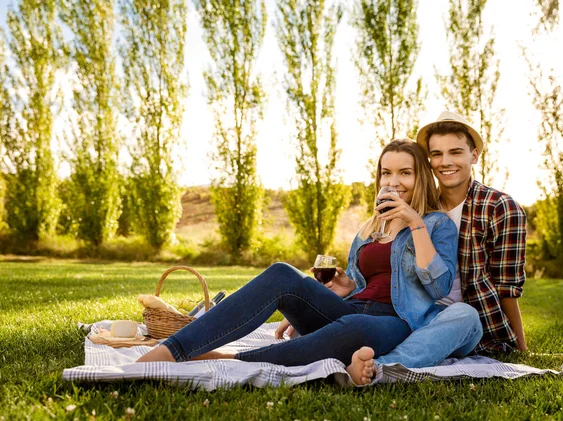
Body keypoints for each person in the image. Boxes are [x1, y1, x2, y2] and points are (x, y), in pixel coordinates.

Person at [137, 139, 460, 386]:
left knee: (355, 327)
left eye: (405, 173)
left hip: (393, 322)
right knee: (282, 273)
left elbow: (438, 287)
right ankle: (173, 349)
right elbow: (357, 285)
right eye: (386, 173)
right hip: (350, 312)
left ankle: (230, 358)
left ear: (421, 179)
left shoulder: (435, 224)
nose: (394, 181)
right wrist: (343, 286)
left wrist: (415, 223)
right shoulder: (371, 227)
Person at [374, 111, 527, 370]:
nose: (445, 162)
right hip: (412, 315)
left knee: (462, 317)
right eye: (436, 154)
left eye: (455, 152)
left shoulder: (500, 207)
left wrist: (521, 348)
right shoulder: (415, 203)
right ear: (428, 161)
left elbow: (507, 289)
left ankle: (381, 368)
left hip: (465, 322)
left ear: (474, 155)